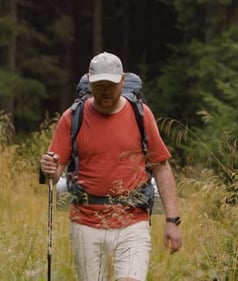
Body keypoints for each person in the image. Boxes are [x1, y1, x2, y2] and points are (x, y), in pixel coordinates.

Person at [40, 51, 182, 281]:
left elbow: (161, 167)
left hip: (133, 222)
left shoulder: (141, 115)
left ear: (122, 81)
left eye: (111, 84)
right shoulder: (72, 117)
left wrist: (172, 221)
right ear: (89, 81)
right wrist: (48, 167)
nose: (105, 91)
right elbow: (55, 173)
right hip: (86, 223)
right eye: (99, 85)